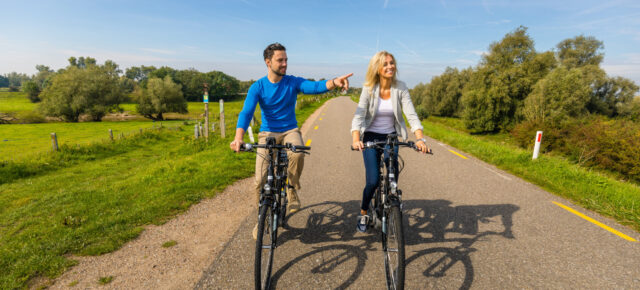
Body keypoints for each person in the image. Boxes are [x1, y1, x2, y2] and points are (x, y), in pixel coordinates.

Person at [230, 42, 353, 239]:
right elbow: (246, 112)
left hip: (290, 130)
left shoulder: (292, 82)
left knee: (297, 151)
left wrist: (333, 83)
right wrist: (238, 138)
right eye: (280, 60)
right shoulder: (258, 86)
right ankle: (261, 219)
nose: (285, 64)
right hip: (267, 133)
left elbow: (314, 86)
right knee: (260, 180)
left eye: (286, 60)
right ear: (268, 62)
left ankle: (292, 188)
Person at [350, 51, 431, 233]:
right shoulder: (369, 88)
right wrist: (356, 139)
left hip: (390, 138)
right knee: (372, 181)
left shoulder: (400, 87)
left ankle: (391, 202)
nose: (390, 67)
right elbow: (358, 116)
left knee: (393, 174)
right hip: (371, 136)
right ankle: (363, 212)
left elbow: (411, 114)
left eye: (392, 63)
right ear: (377, 68)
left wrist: (420, 138)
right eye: (385, 64)